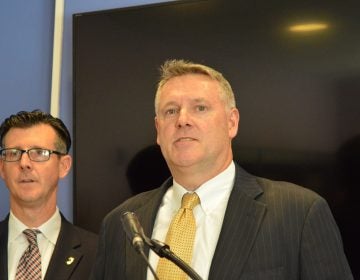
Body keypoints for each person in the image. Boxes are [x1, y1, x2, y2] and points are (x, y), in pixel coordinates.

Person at [91, 59, 353, 279]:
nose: (183, 120)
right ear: (158, 131)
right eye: (171, 111)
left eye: (200, 108)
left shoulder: (299, 213)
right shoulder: (120, 225)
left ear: (232, 122)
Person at [0, 110, 98, 280]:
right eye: (14, 153)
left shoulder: (98, 253)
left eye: (39, 153)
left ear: (64, 166)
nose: (24, 163)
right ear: (2, 167)